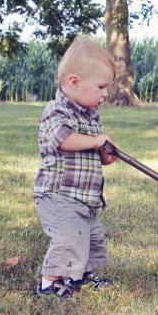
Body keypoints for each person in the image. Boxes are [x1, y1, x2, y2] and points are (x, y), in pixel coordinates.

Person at [33, 36, 119, 298]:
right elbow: (64, 140)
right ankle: (49, 283)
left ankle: (80, 275)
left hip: (85, 197)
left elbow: (89, 150)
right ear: (74, 82)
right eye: (101, 86)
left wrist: (103, 154)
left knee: (90, 237)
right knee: (69, 239)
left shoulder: (90, 114)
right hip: (60, 195)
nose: (105, 93)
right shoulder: (56, 111)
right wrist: (95, 141)